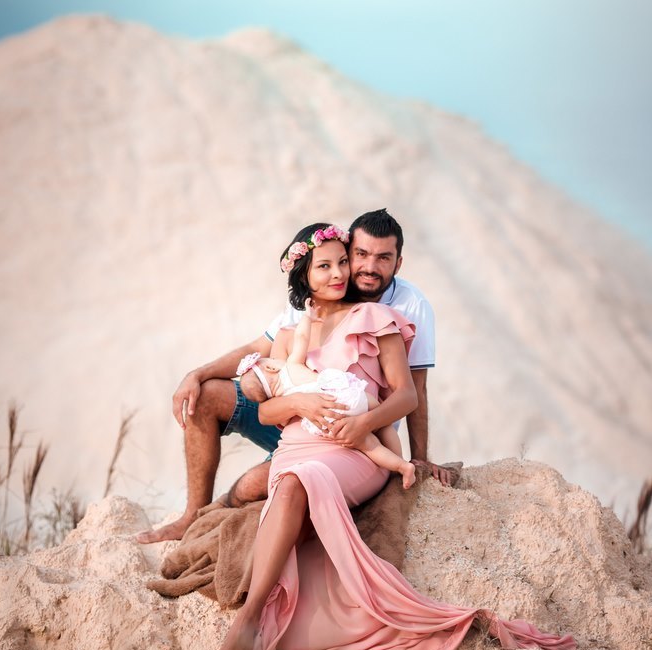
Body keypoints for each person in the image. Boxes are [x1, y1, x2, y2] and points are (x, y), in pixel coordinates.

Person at [187, 223, 575, 650]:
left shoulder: (377, 317)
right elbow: (266, 409)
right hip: (297, 441)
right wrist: (297, 406)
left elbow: (409, 394)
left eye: (341, 263)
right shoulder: (290, 335)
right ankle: (265, 604)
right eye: (325, 265)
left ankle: (251, 618)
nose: (339, 273)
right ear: (304, 277)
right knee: (285, 481)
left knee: (294, 485)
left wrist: (372, 430)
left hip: (354, 448)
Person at [136, 209, 451, 545]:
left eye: (383, 258)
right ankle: (191, 517)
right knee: (206, 394)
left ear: (398, 263)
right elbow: (261, 345)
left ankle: (233, 506)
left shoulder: (407, 306)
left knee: (253, 486)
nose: (367, 267)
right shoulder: (320, 293)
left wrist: (420, 457)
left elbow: (414, 389)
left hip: (347, 430)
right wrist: (196, 374)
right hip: (292, 413)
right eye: (358, 255)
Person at [237, 298, 417, 489]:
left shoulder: (281, 396)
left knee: (369, 445)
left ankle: (401, 467)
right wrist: (308, 317)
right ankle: (400, 462)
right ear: (271, 368)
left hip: (331, 421)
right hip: (348, 396)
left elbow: (270, 414)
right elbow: (301, 339)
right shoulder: (291, 366)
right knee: (383, 425)